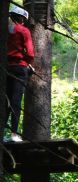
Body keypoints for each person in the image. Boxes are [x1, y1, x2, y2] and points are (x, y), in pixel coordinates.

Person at [5, 6, 34, 142]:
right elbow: (30, 53)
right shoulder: (23, 30)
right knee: (16, 102)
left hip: (5, 68)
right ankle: (14, 134)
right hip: (19, 68)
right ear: (21, 18)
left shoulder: (5, 30)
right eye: (23, 19)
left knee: (5, 102)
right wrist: (27, 62)